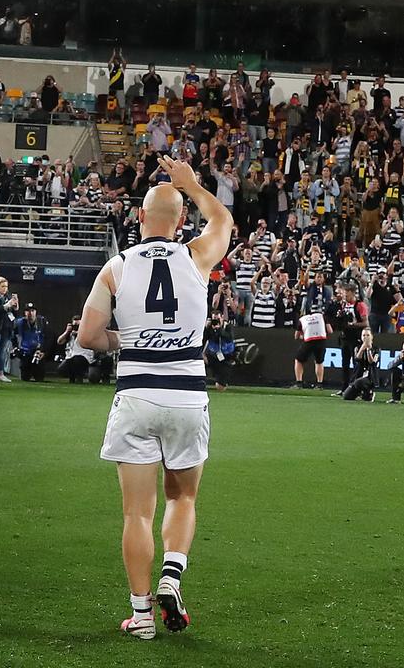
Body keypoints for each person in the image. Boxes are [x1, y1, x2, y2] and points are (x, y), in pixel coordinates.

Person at [78, 154, 233, 640]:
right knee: (183, 496)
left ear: (139, 218)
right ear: (181, 221)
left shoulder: (116, 267)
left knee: (136, 513)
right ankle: (173, 574)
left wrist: (127, 340)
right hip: (187, 393)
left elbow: (88, 336)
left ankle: (141, 615)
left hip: (137, 394)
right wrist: (191, 184)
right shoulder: (196, 255)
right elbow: (224, 219)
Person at [342, 327, 378, 401]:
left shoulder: (376, 349)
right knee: (346, 396)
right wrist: (363, 347)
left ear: (371, 337)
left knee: (360, 382)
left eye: (367, 335)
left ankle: (369, 393)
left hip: (369, 377)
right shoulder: (357, 348)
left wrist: (368, 350)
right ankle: (359, 393)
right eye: (363, 335)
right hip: (358, 375)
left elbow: (372, 362)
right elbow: (357, 359)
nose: (365, 337)